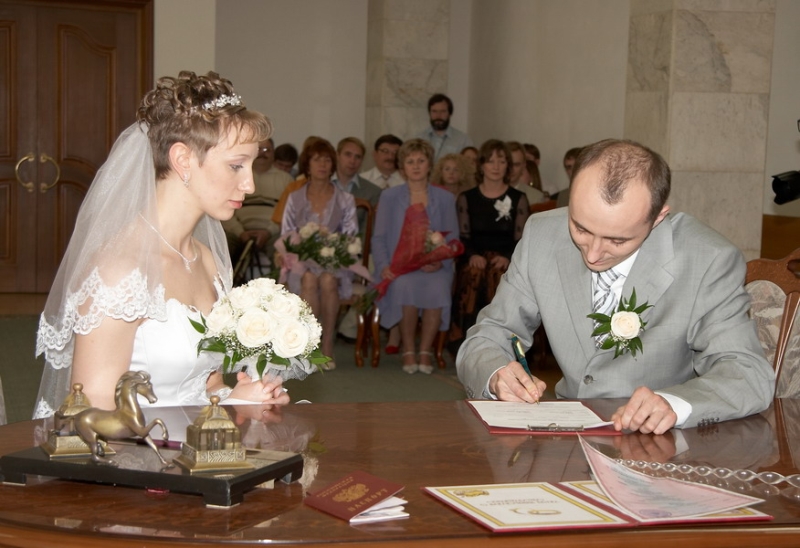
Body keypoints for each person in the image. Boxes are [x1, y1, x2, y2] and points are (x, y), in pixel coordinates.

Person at [456, 138, 774, 434]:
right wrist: (496, 373)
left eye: (617, 240)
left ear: (658, 218)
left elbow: (747, 374)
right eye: (580, 228)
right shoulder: (542, 235)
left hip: (659, 445)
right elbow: (489, 335)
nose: (593, 254)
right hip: (565, 441)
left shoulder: (707, 258)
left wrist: (673, 404)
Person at [33, 71, 291, 418]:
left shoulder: (207, 260)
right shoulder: (120, 272)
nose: (249, 185)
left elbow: (208, 385)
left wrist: (238, 397)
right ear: (183, 159)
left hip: (197, 443)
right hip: (138, 448)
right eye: (235, 166)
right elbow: (93, 413)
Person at [372, 139, 459, 374]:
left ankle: (426, 350)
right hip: (399, 268)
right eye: (410, 161)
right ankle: (409, 349)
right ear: (402, 168)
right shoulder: (389, 197)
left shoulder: (445, 198)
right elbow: (378, 237)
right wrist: (383, 266)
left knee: (439, 286)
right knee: (404, 285)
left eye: (421, 160)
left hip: (435, 268)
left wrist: (439, 260)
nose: (416, 166)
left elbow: (453, 239)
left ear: (430, 165)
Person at [280, 138, 358, 369]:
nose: (322, 165)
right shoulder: (294, 197)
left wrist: (331, 248)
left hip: (335, 261)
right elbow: (286, 235)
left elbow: (350, 237)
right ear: (307, 164)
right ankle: (310, 345)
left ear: (333, 165)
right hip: (301, 261)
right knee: (309, 278)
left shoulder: (345, 199)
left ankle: (327, 343)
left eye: (327, 160)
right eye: (316, 160)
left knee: (327, 279)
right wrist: (302, 250)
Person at [451, 140, 529, 342]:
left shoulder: (518, 198)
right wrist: (472, 255)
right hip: (474, 257)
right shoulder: (467, 198)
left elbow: (522, 239)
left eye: (501, 161)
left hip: (506, 258)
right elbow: (463, 236)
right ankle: (467, 339)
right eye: (490, 161)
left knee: (497, 273)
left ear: (508, 166)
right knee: (474, 272)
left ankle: (499, 341)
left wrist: (508, 257)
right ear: (481, 165)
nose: (496, 167)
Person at [221, 137, 293, 264]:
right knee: (220, 243)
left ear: (273, 154)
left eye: (267, 150)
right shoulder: (235, 176)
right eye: (259, 149)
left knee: (284, 247)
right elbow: (224, 208)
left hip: (273, 233)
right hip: (238, 231)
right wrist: (240, 232)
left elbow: (289, 213)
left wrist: (269, 232)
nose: (262, 153)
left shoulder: (286, 179)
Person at [331, 137, 382, 236]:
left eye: (358, 157)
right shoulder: (322, 186)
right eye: (348, 154)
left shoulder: (373, 192)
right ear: (337, 155)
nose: (352, 161)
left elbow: (369, 232)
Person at [416, 93, 473, 163]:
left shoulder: (463, 140)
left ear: (450, 114)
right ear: (429, 113)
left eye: (443, 111)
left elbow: (470, 165)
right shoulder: (419, 139)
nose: (438, 116)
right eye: (434, 111)